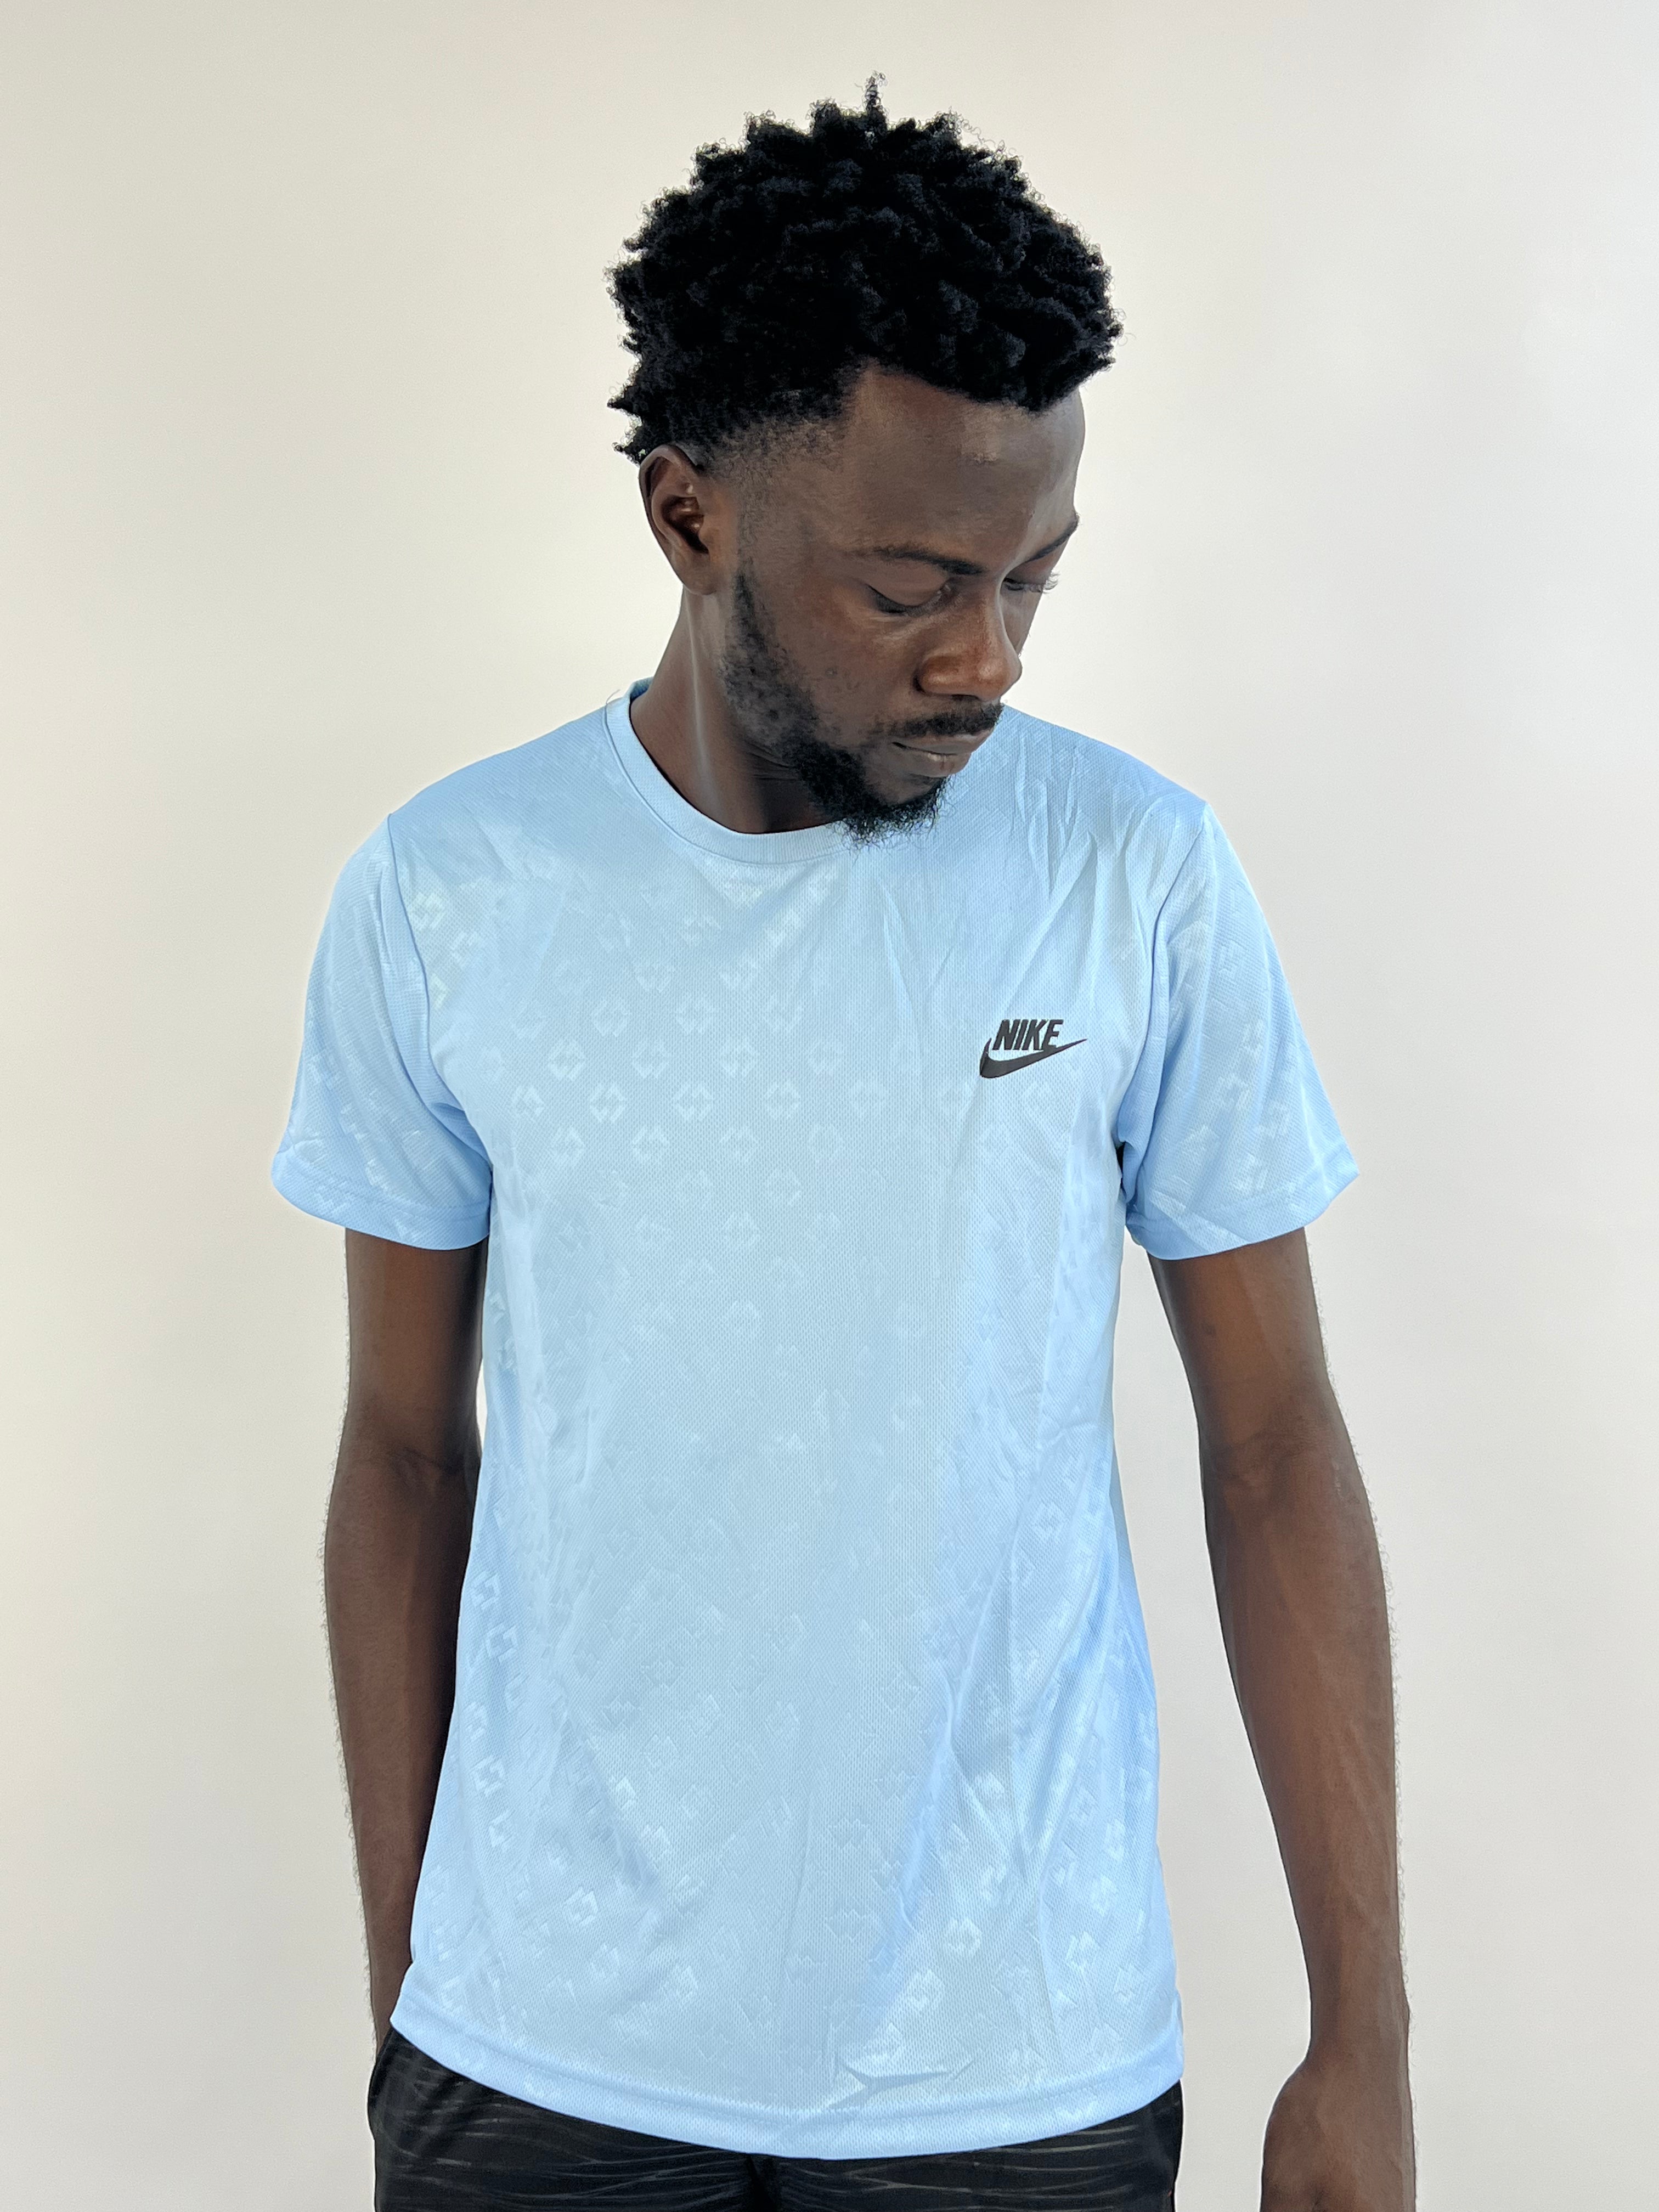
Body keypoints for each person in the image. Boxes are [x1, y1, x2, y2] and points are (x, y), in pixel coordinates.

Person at [272, 83, 1413, 2212]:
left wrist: (1365, 2041)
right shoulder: (449, 895)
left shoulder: (1134, 875)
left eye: (1034, 576)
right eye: (913, 585)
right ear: (688, 516)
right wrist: (417, 1997)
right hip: (536, 2071)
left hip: (1018, 2070)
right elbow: (405, 1459)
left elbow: (1273, 1447)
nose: (989, 653)